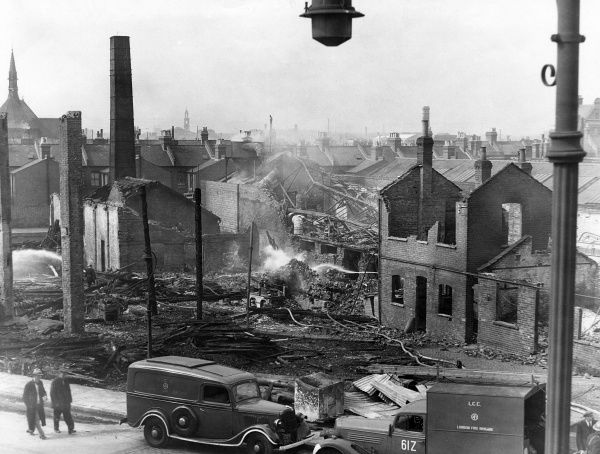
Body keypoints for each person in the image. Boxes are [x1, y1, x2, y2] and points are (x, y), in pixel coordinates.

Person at [22, 368, 47, 440]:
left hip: (39, 405)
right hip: (32, 406)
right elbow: (24, 397)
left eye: (40, 376)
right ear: (34, 376)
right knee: (36, 419)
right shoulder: (29, 384)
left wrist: (45, 396)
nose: (39, 377)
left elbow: (43, 391)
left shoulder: (40, 383)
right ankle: (42, 435)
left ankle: (31, 429)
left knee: (36, 419)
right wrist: (29, 405)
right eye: (38, 376)